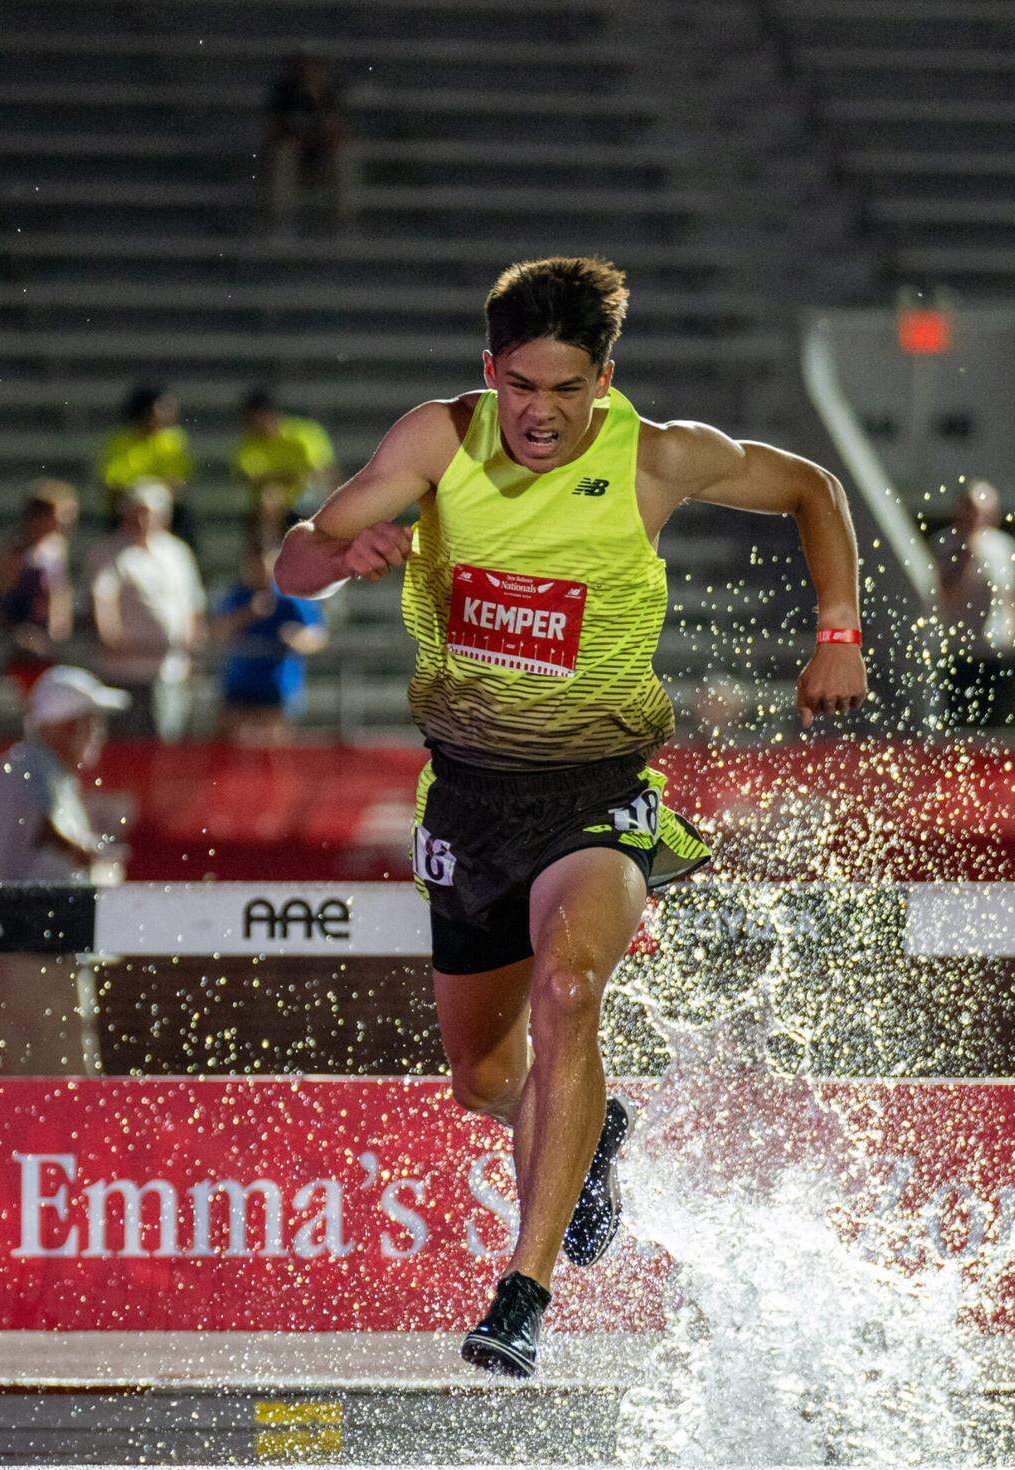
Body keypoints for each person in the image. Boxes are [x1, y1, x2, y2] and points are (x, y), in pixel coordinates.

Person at [274, 255, 867, 1377]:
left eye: (565, 390)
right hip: (470, 800)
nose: (539, 416)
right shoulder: (437, 442)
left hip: (600, 793)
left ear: (605, 378)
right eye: (520, 388)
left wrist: (836, 630)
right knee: (488, 1080)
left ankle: (523, 1291)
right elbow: (293, 558)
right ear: (489, 370)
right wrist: (339, 556)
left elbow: (812, 490)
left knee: (569, 984)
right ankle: (595, 1137)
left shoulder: (655, 457)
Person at [0, 666, 129, 1074]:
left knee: (44, 1081)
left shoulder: (43, 772)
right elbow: (54, 835)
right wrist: (98, 858)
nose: (98, 734)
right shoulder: (27, 766)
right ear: (61, 725)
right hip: (29, 952)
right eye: (88, 722)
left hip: (33, 948)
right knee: (56, 1081)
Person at [87, 480, 206, 742]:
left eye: (149, 513)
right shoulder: (108, 552)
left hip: (170, 671)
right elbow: (103, 604)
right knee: (127, 749)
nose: (142, 520)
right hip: (126, 672)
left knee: (167, 747)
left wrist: (192, 652)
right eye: (136, 512)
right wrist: (113, 639)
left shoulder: (178, 552)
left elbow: (192, 605)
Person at [212, 528, 327, 743]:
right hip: (239, 687)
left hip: (277, 689)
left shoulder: (291, 596)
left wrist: (298, 638)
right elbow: (218, 632)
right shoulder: (237, 596)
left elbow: (317, 634)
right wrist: (248, 614)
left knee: (274, 754)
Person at [931, 480, 1015, 730]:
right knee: (960, 721)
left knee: (997, 719)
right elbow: (945, 591)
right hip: (960, 649)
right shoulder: (947, 545)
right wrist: (967, 553)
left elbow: (1012, 596)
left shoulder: (1004, 547)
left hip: (996, 647)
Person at [0, 480, 78, 698]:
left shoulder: (56, 548)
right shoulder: (13, 555)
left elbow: (59, 593)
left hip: (49, 644)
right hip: (21, 649)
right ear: (41, 517)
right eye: (63, 514)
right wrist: (19, 634)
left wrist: (59, 623)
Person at [98, 384, 197, 548]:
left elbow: (179, 482)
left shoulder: (175, 440)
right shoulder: (119, 442)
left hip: (167, 514)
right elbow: (112, 484)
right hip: (129, 514)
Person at [263, 54, 353, 227]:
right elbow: (273, 129)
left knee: (341, 155)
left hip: (322, 152)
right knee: (283, 153)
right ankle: (278, 217)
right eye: (303, 68)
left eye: (313, 67)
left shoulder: (331, 94)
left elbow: (339, 130)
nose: (308, 72)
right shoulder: (283, 94)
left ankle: (343, 216)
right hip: (294, 150)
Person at [232, 389, 338, 531]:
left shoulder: (304, 433)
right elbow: (252, 479)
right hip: (277, 504)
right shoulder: (247, 445)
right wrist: (289, 476)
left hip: (310, 495)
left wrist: (280, 477)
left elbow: (320, 471)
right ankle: (271, 548)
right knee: (270, 497)